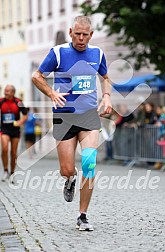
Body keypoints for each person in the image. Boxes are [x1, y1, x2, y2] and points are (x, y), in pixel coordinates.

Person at [32, 16, 112, 231]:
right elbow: (37, 76)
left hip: (88, 116)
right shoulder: (58, 53)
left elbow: (105, 77)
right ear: (70, 32)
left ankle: (83, 215)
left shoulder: (97, 53)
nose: (81, 38)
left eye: (85, 34)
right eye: (77, 34)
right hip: (64, 116)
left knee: (89, 163)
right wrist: (51, 92)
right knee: (67, 169)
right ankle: (69, 179)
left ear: (91, 35)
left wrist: (106, 97)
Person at [0, 85, 28, 182]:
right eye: (5, 91)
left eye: (7, 91)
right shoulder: (1, 101)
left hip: (15, 130)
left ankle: (12, 173)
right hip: (4, 129)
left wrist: (20, 122)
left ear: (13, 92)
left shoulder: (18, 102)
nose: (5, 93)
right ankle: (5, 171)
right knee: (4, 149)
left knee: (13, 152)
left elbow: (25, 115)